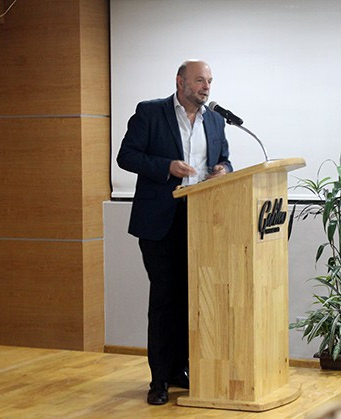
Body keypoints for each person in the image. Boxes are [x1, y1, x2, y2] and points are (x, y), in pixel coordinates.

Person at [117, 59, 232, 405]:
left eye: (209, 81)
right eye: (200, 80)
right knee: (165, 299)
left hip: (201, 220)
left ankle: (181, 368)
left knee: (192, 298)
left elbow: (225, 158)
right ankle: (159, 379)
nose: (206, 87)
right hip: (160, 221)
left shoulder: (215, 120)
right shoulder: (150, 113)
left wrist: (224, 169)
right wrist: (166, 166)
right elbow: (127, 156)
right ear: (180, 82)